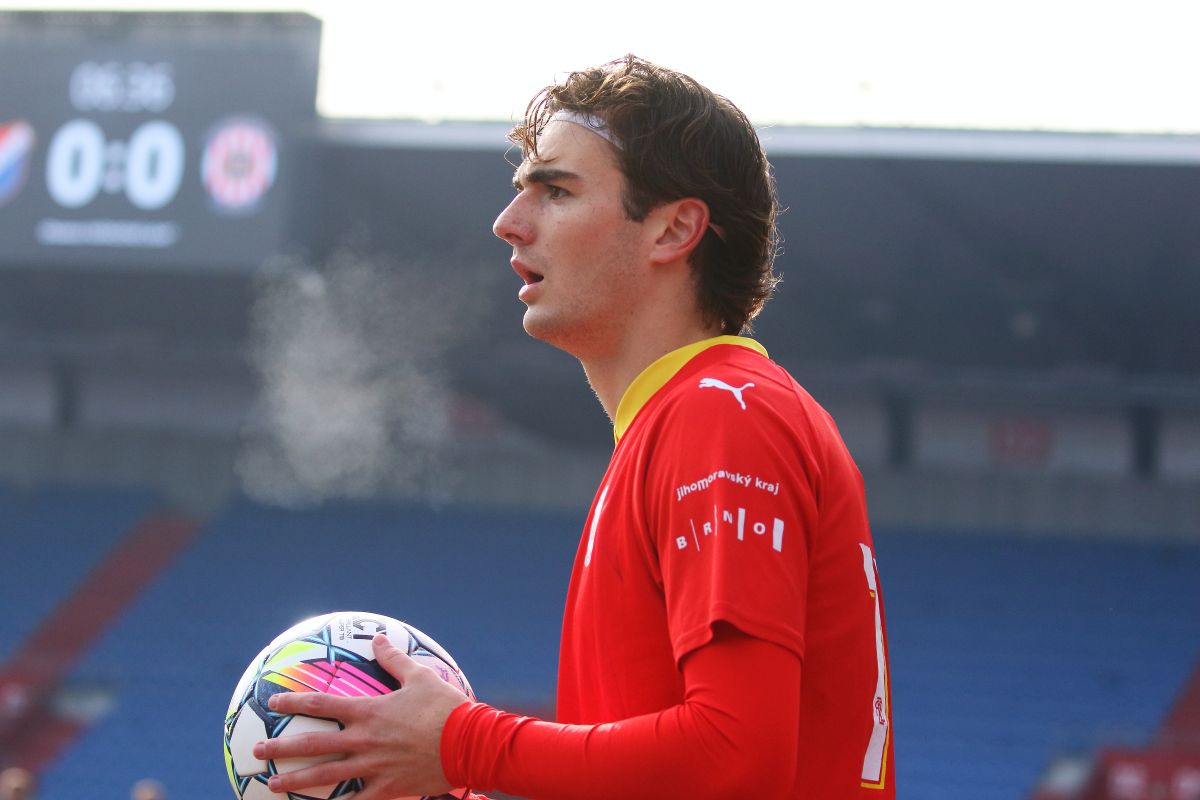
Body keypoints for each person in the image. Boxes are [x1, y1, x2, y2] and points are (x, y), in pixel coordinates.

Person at [257, 54, 895, 799]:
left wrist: (462, 743)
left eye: (556, 191)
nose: (508, 223)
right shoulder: (689, 418)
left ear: (673, 230)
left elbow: (735, 757)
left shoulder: (721, 413)